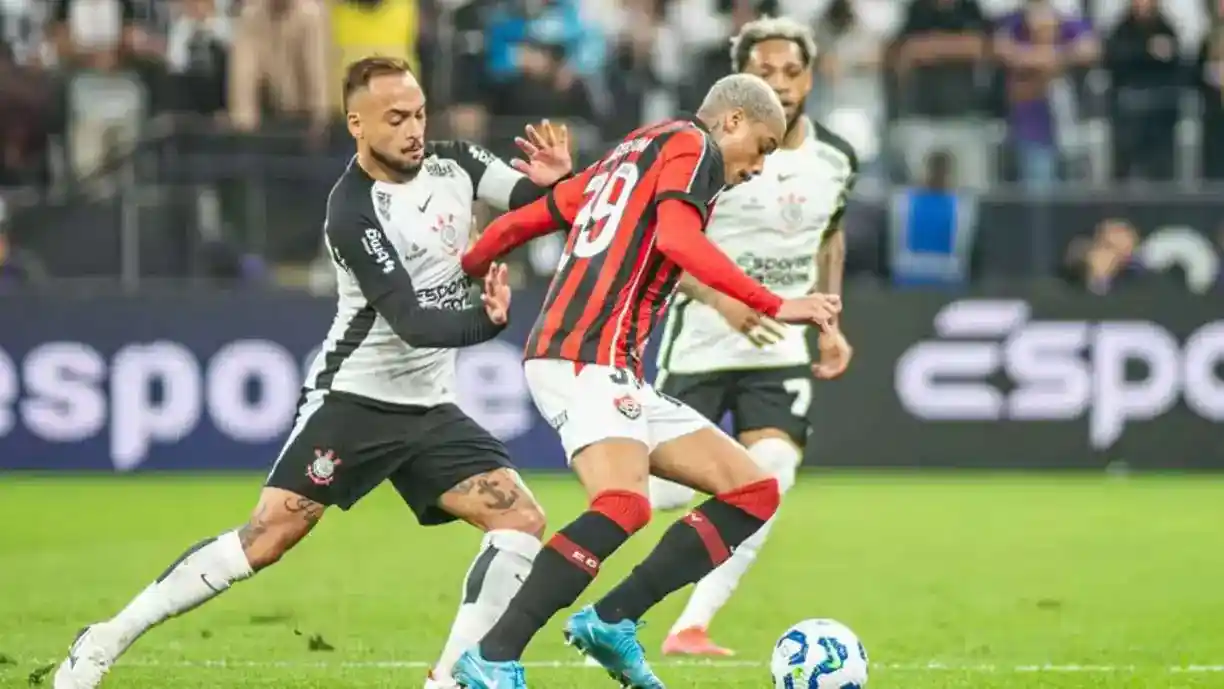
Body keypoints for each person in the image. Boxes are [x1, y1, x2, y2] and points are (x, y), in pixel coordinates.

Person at [52, 56, 574, 689]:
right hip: (355, 399)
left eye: (419, 114)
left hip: (431, 408)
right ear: (357, 124)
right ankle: (105, 639)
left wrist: (554, 186)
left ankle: (452, 680)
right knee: (268, 536)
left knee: (520, 520)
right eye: (395, 118)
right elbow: (411, 321)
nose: (413, 128)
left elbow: (540, 206)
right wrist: (487, 326)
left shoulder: (456, 163)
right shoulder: (351, 211)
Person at [451, 72, 842, 689]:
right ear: (732, 122)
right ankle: (492, 659)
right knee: (624, 505)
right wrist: (774, 303)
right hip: (583, 354)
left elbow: (525, 220)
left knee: (753, 491)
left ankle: (613, 620)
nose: (759, 166)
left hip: (608, 364)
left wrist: (468, 267)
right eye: (763, 147)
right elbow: (677, 238)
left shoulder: (631, 153)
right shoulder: (694, 147)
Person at [646, 16, 859, 658]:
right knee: (665, 491)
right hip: (700, 345)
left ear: (811, 79)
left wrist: (831, 323)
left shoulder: (836, 160)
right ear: (739, 80)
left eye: (792, 72)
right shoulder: (705, 155)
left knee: (772, 473)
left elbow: (830, 237)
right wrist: (724, 301)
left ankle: (691, 624)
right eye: (765, 72)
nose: (782, 85)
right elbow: (667, 248)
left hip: (778, 353)